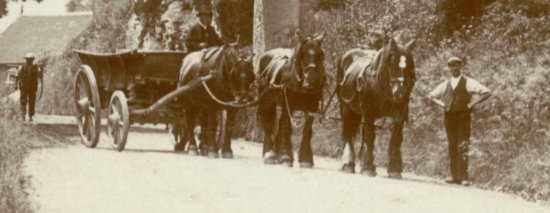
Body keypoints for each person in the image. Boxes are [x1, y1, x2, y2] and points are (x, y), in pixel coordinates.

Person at [428, 56, 491, 186]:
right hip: (449, 116)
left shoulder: (468, 82)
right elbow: (431, 95)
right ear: (449, 68)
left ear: (460, 66)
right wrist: (442, 104)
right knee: (452, 144)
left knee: (463, 144)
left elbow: (486, 92)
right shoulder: (446, 83)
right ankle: (453, 175)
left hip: (463, 116)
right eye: (452, 65)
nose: (454, 68)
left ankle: (463, 176)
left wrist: (472, 104)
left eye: (457, 65)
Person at [15, 53, 42, 122]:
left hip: (27, 87)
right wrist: (16, 84)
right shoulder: (34, 68)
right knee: (27, 101)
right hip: (27, 87)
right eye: (29, 59)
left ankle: (28, 116)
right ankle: (26, 116)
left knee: (28, 101)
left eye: (30, 59)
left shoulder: (34, 67)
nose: (29, 60)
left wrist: (16, 84)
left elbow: (17, 76)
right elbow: (18, 76)